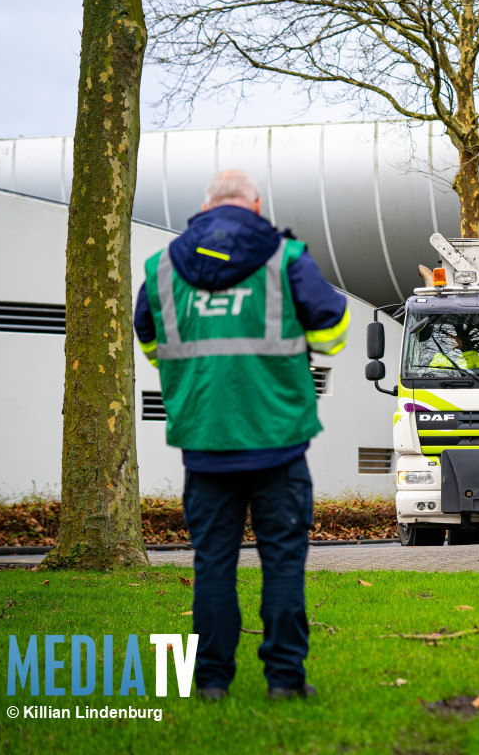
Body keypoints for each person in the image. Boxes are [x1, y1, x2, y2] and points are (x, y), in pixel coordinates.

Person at [133, 169, 349, 701]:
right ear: (255, 208)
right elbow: (335, 331)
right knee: (281, 564)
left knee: (212, 567)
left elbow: (149, 338)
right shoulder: (285, 258)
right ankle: (284, 682)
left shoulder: (162, 268)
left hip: (205, 443)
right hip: (278, 441)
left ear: (205, 208)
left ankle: (210, 682)